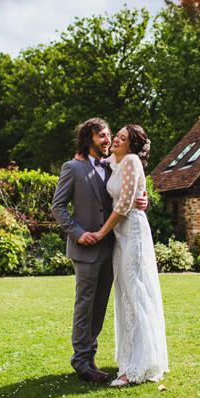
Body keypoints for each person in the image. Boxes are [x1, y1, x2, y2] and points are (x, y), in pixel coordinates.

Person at [51, 118, 149, 384]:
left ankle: (90, 358)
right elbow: (57, 207)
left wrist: (144, 199)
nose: (108, 140)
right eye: (102, 136)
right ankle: (81, 362)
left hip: (112, 248)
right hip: (85, 249)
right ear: (88, 139)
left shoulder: (112, 166)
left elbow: (128, 194)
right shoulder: (72, 168)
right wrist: (77, 233)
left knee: (99, 308)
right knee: (85, 307)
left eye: (109, 135)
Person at [86, 124, 169, 387]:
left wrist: (100, 233)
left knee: (136, 293)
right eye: (116, 136)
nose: (116, 140)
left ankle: (137, 366)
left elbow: (123, 205)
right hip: (120, 236)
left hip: (131, 231)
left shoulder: (132, 161)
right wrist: (80, 155)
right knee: (124, 294)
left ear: (132, 146)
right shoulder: (116, 161)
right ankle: (132, 356)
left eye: (122, 138)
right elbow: (98, 157)